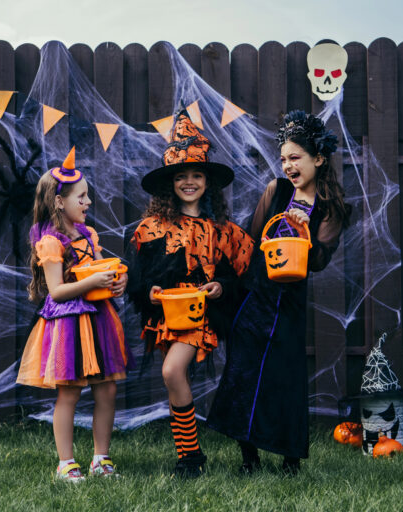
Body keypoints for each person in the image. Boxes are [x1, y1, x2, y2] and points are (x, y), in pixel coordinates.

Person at [207, 110, 351, 474]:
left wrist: (304, 231)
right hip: (254, 300)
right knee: (243, 375)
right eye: (284, 158)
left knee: (284, 380)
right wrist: (226, 286)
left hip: (288, 307)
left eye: (295, 158)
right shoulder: (276, 191)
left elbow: (318, 261)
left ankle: (289, 459)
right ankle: (249, 458)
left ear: (318, 159)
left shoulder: (330, 208)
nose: (288, 165)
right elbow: (249, 246)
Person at [126, 110, 255, 478]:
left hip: (201, 314)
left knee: (171, 370)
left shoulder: (223, 230)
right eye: (181, 176)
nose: (189, 182)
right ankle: (188, 455)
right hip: (168, 314)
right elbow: (139, 277)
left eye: (196, 175)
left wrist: (221, 287)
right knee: (175, 379)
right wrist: (147, 292)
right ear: (170, 183)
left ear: (207, 182)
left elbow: (245, 274)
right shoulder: (151, 228)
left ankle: (191, 458)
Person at [16, 148, 132, 482]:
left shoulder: (89, 235)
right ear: (59, 201)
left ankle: (101, 458)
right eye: (81, 196)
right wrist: (93, 281)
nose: (88, 202)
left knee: (107, 390)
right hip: (68, 322)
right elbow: (55, 291)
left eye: (87, 196)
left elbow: (97, 271)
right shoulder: (51, 243)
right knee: (69, 392)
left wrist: (115, 280)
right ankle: (66, 462)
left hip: (98, 318)